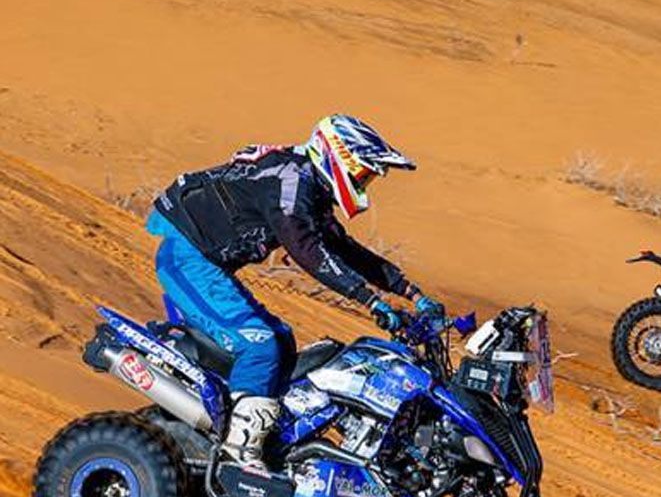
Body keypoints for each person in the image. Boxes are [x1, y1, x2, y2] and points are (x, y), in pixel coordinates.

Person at [146, 114, 441, 470]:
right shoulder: (291, 180)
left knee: (283, 341)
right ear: (338, 157)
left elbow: (343, 249)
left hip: (204, 262)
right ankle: (238, 451)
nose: (365, 182)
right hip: (186, 256)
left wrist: (410, 292)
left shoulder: (306, 184)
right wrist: (370, 300)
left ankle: (269, 437)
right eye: (363, 173)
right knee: (260, 345)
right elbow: (306, 250)